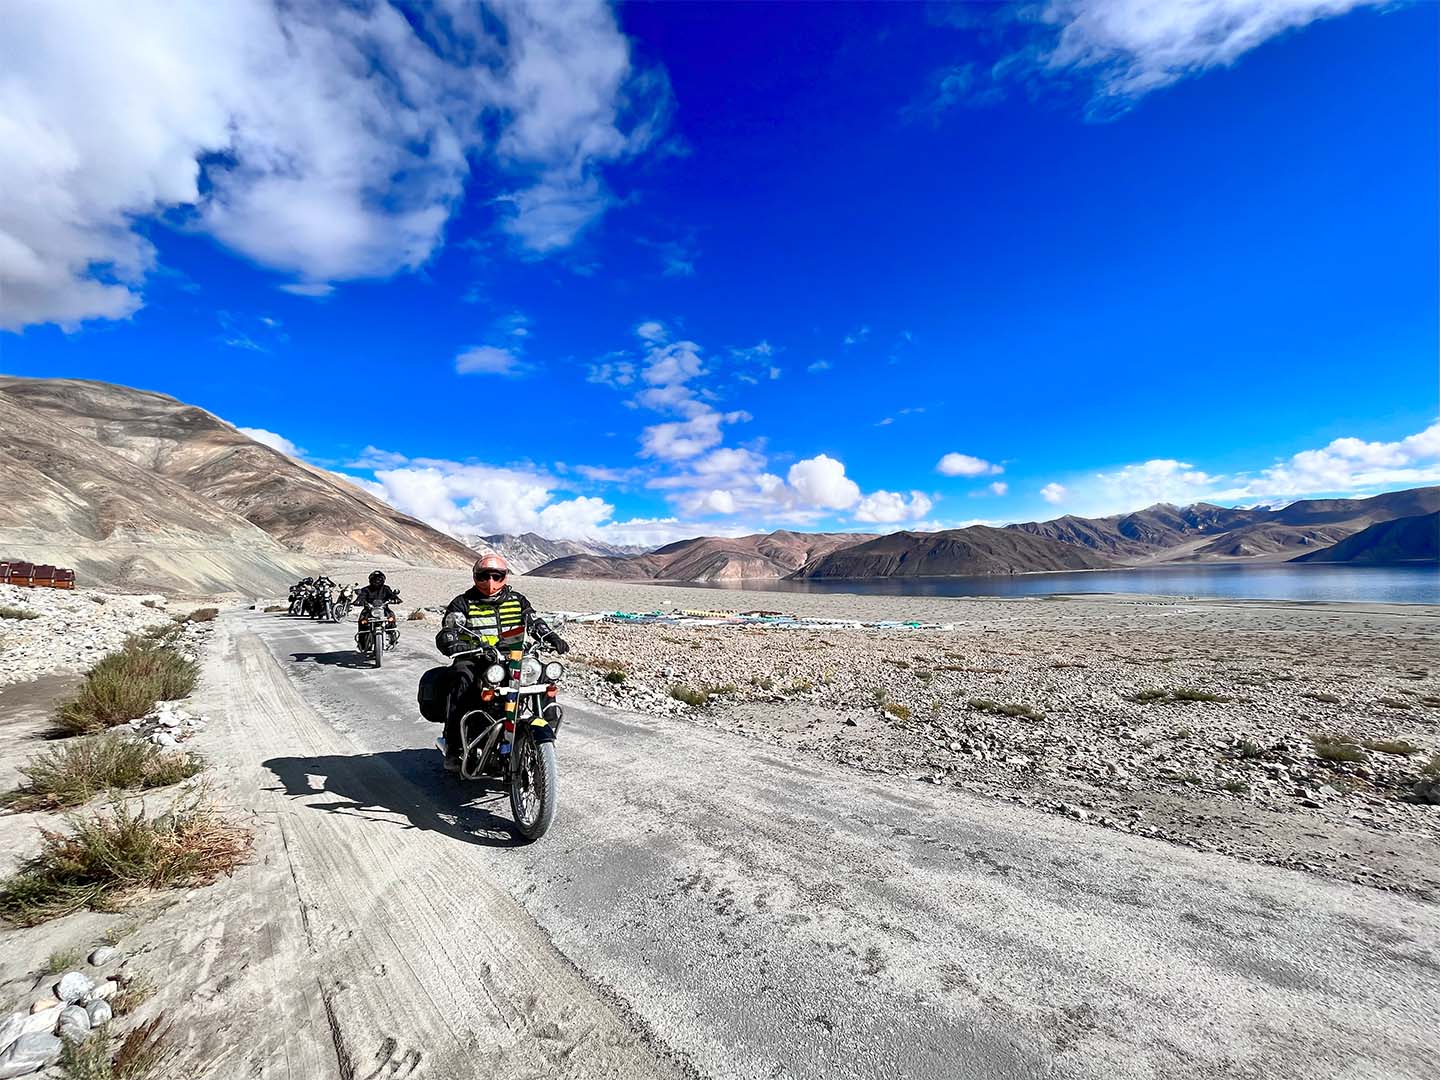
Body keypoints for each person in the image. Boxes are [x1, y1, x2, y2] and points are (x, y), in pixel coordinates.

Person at [433, 554, 568, 772]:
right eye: (484, 576)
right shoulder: (463, 602)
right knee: (462, 678)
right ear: (476, 577)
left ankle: (545, 737)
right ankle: (455, 746)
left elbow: (533, 621)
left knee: (542, 676)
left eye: (496, 576)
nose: (490, 581)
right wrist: (452, 642)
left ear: (504, 577)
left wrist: (551, 636)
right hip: (475, 657)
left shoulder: (517, 600)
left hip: (513, 658)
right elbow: (448, 630)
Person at [353, 570, 402, 647]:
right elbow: (361, 596)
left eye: (379, 579)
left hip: (383, 609)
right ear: (371, 580)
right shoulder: (366, 589)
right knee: (362, 619)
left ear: (383, 579)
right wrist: (358, 601)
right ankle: (361, 642)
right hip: (369, 610)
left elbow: (391, 595)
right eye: (375, 579)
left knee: (391, 615)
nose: (377, 580)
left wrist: (396, 599)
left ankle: (393, 636)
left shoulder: (386, 588)